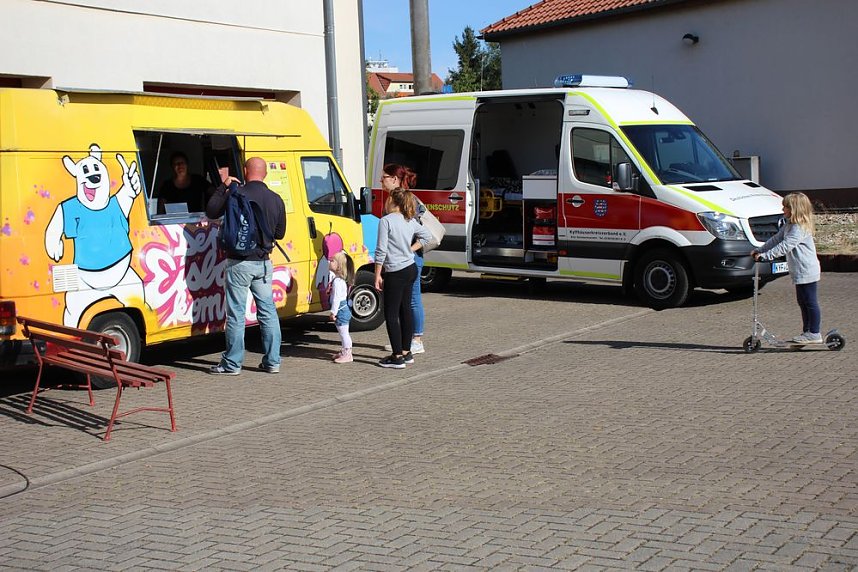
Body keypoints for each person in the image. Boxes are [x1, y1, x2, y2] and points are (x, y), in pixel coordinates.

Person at [206, 157, 287, 374]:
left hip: (239, 263)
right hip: (263, 264)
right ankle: (272, 362)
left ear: (244, 171)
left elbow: (211, 211)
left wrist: (223, 186)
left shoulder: (236, 193)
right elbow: (279, 233)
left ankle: (232, 364)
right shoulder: (275, 199)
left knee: (236, 315)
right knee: (268, 313)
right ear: (265, 174)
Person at [374, 187, 434, 369]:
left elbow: (381, 250)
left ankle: (397, 356)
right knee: (405, 309)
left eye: (388, 198)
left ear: (393, 201)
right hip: (410, 269)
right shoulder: (409, 220)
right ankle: (407, 352)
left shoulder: (386, 221)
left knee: (391, 314)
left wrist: (377, 274)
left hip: (395, 271)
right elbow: (427, 236)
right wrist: (411, 249)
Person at [752, 192, 823, 343]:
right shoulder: (789, 225)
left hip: (806, 269)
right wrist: (761, 250)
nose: (783, 209)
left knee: (810, 301)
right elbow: (776, 239)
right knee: (802, 301)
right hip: (799, 270)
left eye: (786, 207)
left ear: (795, 209)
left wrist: (767, 256)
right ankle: (807, 332)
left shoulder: (799, 228)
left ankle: (814, 333)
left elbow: (785, 246)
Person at [381, 163, 427, 354]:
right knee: (404, 303)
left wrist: (408, 249)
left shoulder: (407, 200)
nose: (381, 181)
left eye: (383, 177)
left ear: (394, 179)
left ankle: (416, 339)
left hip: (410, 259)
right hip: (404, 259)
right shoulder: (395, 199)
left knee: (412, 300)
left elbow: (417, 229)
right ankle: (403, 343)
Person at [328, 250, 356, 364]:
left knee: (344, 333)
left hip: (340, 310)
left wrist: (333, 313)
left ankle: (348, 354)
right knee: (343, 332)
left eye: (333, 261)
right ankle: (344, 351)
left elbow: (336, 299)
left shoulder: (338, 282)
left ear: (339, 267)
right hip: (342, 310)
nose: (330, 261)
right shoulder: (338, 280)